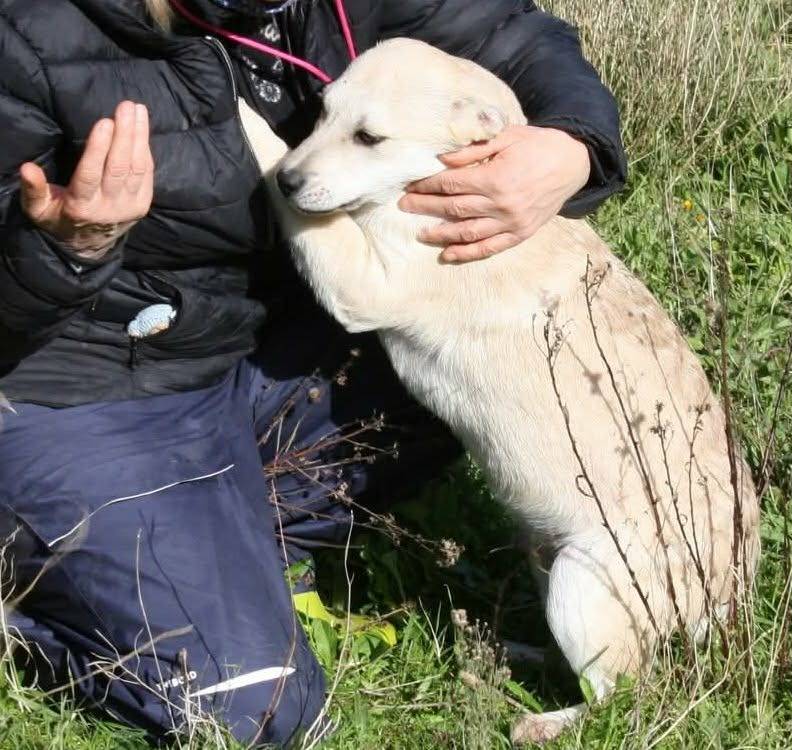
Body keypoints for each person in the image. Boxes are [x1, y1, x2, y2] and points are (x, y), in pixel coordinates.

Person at [0, 0, 626, 744]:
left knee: (476, 335)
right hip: (91, 378)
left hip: (256, 337)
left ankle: (214, 546)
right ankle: (48, 579)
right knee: (253, 709)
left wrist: (569, 148)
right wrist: (70, 248)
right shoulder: (27, 26)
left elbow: (511, 35)